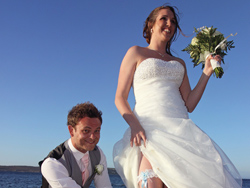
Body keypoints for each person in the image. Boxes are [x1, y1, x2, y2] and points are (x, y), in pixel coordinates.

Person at [113, 5, 242, 188]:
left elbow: (189, 104)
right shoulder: (136, 52)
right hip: (148, 130)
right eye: (163, 19)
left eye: (173, 21)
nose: (169, 24)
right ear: (150, 24)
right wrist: (135, 125)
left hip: (180, 131)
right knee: (149, 182)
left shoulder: (179, 62)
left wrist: (207, 72)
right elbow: (120, 97)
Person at [39, 102, 112, 188]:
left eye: (97, 131)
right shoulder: (52, 163)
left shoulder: (98, 154)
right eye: (86, 131)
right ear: (71, 130)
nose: (93, 137)